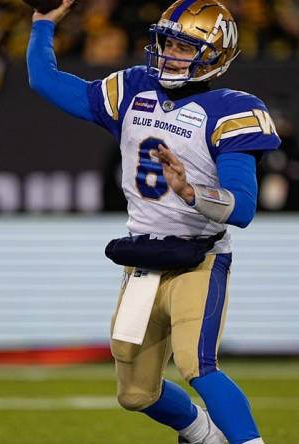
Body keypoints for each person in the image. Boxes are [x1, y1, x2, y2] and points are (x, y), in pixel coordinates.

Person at [27, 1, 280, 443]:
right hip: (143, 260)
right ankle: (202, 432)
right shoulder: (132, 88)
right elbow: (44, 80)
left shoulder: (231, 111)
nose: (169, 53)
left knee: (196, 364)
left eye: (184, 46)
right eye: (167, 41)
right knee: (135, 393)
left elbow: (241, 209)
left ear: (216, 54)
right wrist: (43, 25)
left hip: (197, 258)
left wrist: (190, 192)